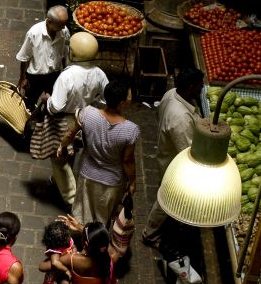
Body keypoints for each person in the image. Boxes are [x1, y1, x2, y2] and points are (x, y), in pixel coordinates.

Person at [30, 32, 108, 208]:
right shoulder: (100, 74)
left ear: (74, 53)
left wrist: (46, 100)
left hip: (64, 121)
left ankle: (72, 199)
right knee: (73, 151)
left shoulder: (67, 76)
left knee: (59, 159)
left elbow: (56, 106)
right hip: (85, 118)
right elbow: (103, 100)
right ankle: (60, 183)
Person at [61, 80, 139, 226]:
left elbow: (69, 134)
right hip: (112, 182)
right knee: (102, 218)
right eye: (129, 95)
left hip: (87, 175)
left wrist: (63, 146)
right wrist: (133, 182)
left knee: (84, 211)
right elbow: (128, 161)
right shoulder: (130, 130)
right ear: (121, 103)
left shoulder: (88, 113)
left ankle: (82, 237)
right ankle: (96, 241)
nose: (131, 97)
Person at [142, 68, 204, 247]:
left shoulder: (171, 93)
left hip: (166, 152)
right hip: (173, 163)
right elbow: (186, 150)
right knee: (166, 197)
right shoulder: (181, 118)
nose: (201, 89)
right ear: (191, 87)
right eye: (199, 86)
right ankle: (150, 234)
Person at [15, 5, 70, 111]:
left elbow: (64, 53)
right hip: (35, 77)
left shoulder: (64, 31)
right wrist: (23, 78)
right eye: (60, 25)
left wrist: (64, 71)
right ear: (49, 22)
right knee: (29, 103)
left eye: (64, 24)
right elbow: (24, 57)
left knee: (52, 104)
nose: (63, 27)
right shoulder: (34, 33)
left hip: (54, 74)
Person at [41, 220, 73, 284]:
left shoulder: (68, 239)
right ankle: (50, 279)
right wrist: (66, 270)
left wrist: (74, 252)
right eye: (68, 236)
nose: (70, 237)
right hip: (58, 269)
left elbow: (73, 246)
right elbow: (55, 263)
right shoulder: (55, 252)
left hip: (66, 261)